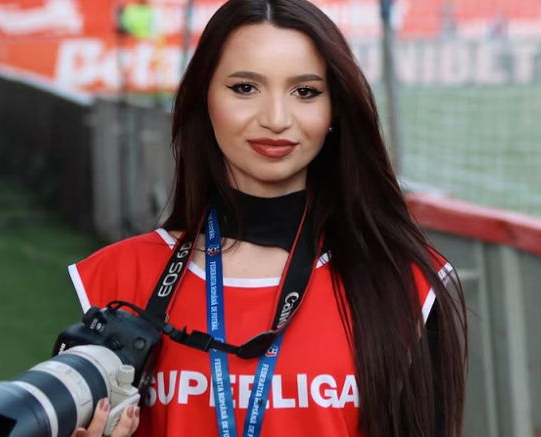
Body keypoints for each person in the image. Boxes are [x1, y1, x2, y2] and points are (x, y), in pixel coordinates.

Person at [68, 0, 468, 436]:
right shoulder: (116, 278)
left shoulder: (404, 283)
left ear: (335, 109)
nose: (276, 119)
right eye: (245, 88)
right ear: (204, 99)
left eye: (305, 92)